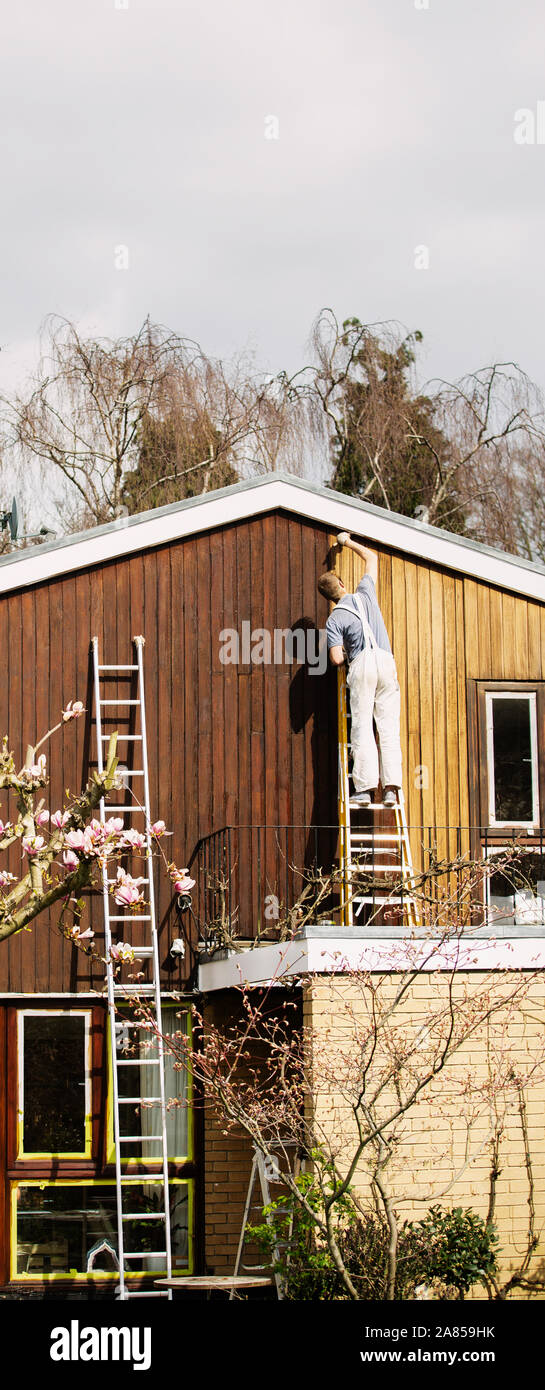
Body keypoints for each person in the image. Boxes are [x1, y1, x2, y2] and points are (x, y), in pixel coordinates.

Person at [317, 532, 402, 809]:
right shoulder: (366, 593)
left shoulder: (335, 619)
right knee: (388, 728)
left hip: (362, 663)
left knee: (363, 726)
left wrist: (342, 649)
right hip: (386, 660)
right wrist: (346, 542)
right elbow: (372, 557)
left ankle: (365, 790)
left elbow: (336, 659)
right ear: (341, 584)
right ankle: (391, 790)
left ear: (328, 597)